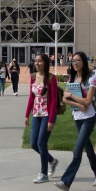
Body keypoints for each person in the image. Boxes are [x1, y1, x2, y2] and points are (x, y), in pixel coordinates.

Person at [55, 52, 96, 191]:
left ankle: (66, 181)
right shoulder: (71, 78)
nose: (75, 63)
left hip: (89, 118)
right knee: (88, 150)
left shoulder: (91, 79)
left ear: (84, 62)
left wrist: (71, 95)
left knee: (77, 150)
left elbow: (88, 101)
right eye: (73, 61)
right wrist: (77, 105)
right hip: (77, 117)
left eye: (78, 60)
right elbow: (64, 99)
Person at [25, 54, 60, 184]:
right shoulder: (33, 77)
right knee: (34, 144)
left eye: (40, 61)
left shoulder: (51, 78)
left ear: (45, 63)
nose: (37, 63)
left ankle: (43, 173)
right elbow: (31, 97)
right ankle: (52, 161)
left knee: (41, 143)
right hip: (36, 115)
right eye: (36, 61)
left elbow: (54, 101)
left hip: (47, 115)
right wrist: (26, 114)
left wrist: (51, 120)